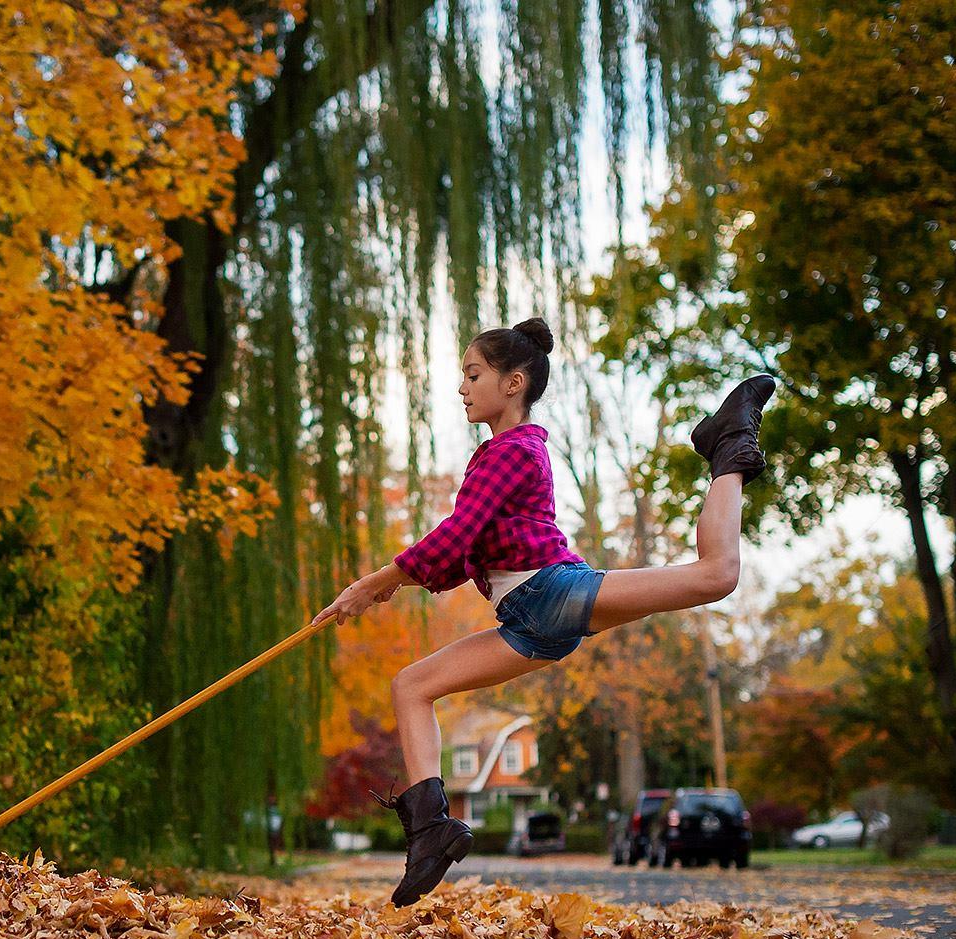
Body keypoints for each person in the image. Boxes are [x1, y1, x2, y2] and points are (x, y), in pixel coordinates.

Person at [311, 317, 775, 907]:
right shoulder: (498, 457)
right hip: (528, 619)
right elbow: (463, 555)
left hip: (549, 594)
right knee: (411, 685)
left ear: (514, 383)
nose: (462, 388)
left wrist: (374, 581)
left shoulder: (514, 450)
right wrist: (388, 588)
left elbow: (455, 536)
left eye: (473, 374)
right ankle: (430, 829)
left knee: (717, 574)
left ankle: (728, 445)